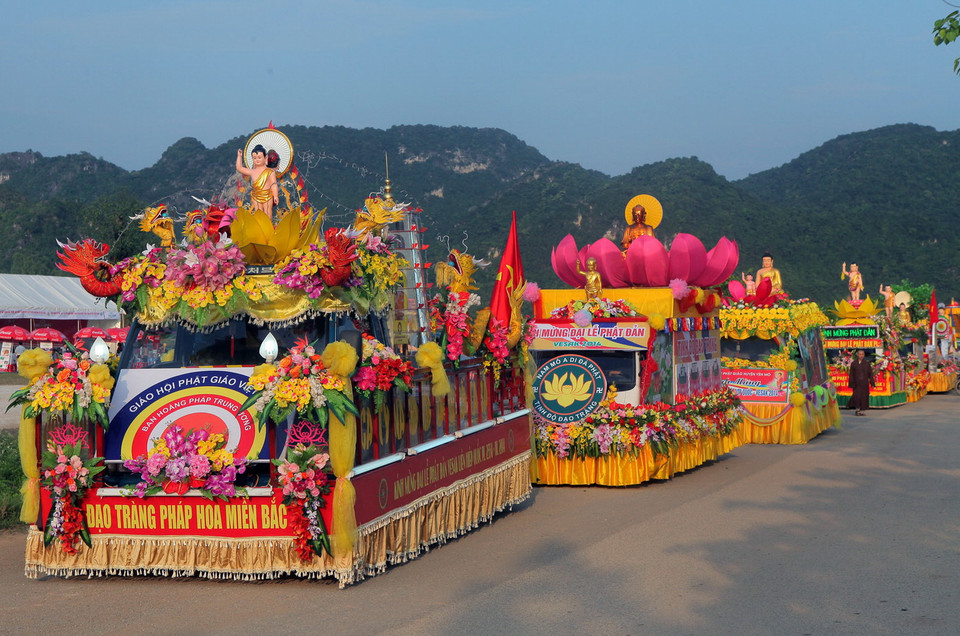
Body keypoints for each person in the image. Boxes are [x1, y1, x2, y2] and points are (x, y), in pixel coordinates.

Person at [236, 145, 278, 220]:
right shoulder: (252, 172)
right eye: (254, 158)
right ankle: (260, 228)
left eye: (259, 157)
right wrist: (239, 156)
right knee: (259, 213)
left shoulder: (270, 172)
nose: (257, 160)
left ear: (265, 158)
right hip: (256, 196)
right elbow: (239, 168)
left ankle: (268, 228)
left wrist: (276, 196)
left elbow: (273, 184)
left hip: (267, 195)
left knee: (268, 212)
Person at [848, 349, 873, 416]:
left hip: (864, 383)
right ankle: (857, 409)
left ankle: (862, 410)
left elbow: (870, 373)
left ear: (864, 355)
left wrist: (872, 382)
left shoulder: (866, 363)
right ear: (857, 355)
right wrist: (851, 383)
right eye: (860, 354)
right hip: (856, 383)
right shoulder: (854, 363)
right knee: (857, 396)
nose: (861, 356)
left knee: (864, 397)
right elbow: (851, 374)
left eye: (862, 354)